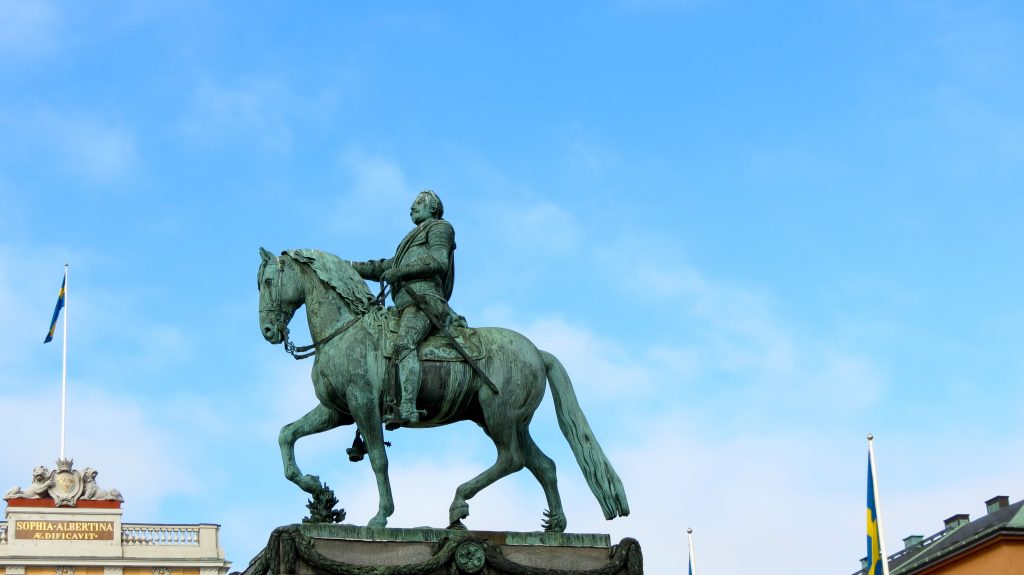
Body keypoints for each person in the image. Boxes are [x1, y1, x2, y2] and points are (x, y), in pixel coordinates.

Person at [352, 190, 455, 427]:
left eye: (418, 203)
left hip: (425, 301)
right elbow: (384, 266)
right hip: (403, 306)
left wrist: (400, 273)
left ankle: (407, 406)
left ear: (433, 208)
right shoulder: (409, 238)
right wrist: (348, 267)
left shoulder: (440, 227)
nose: (411, 207)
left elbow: (438, 260)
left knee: (404, 342)